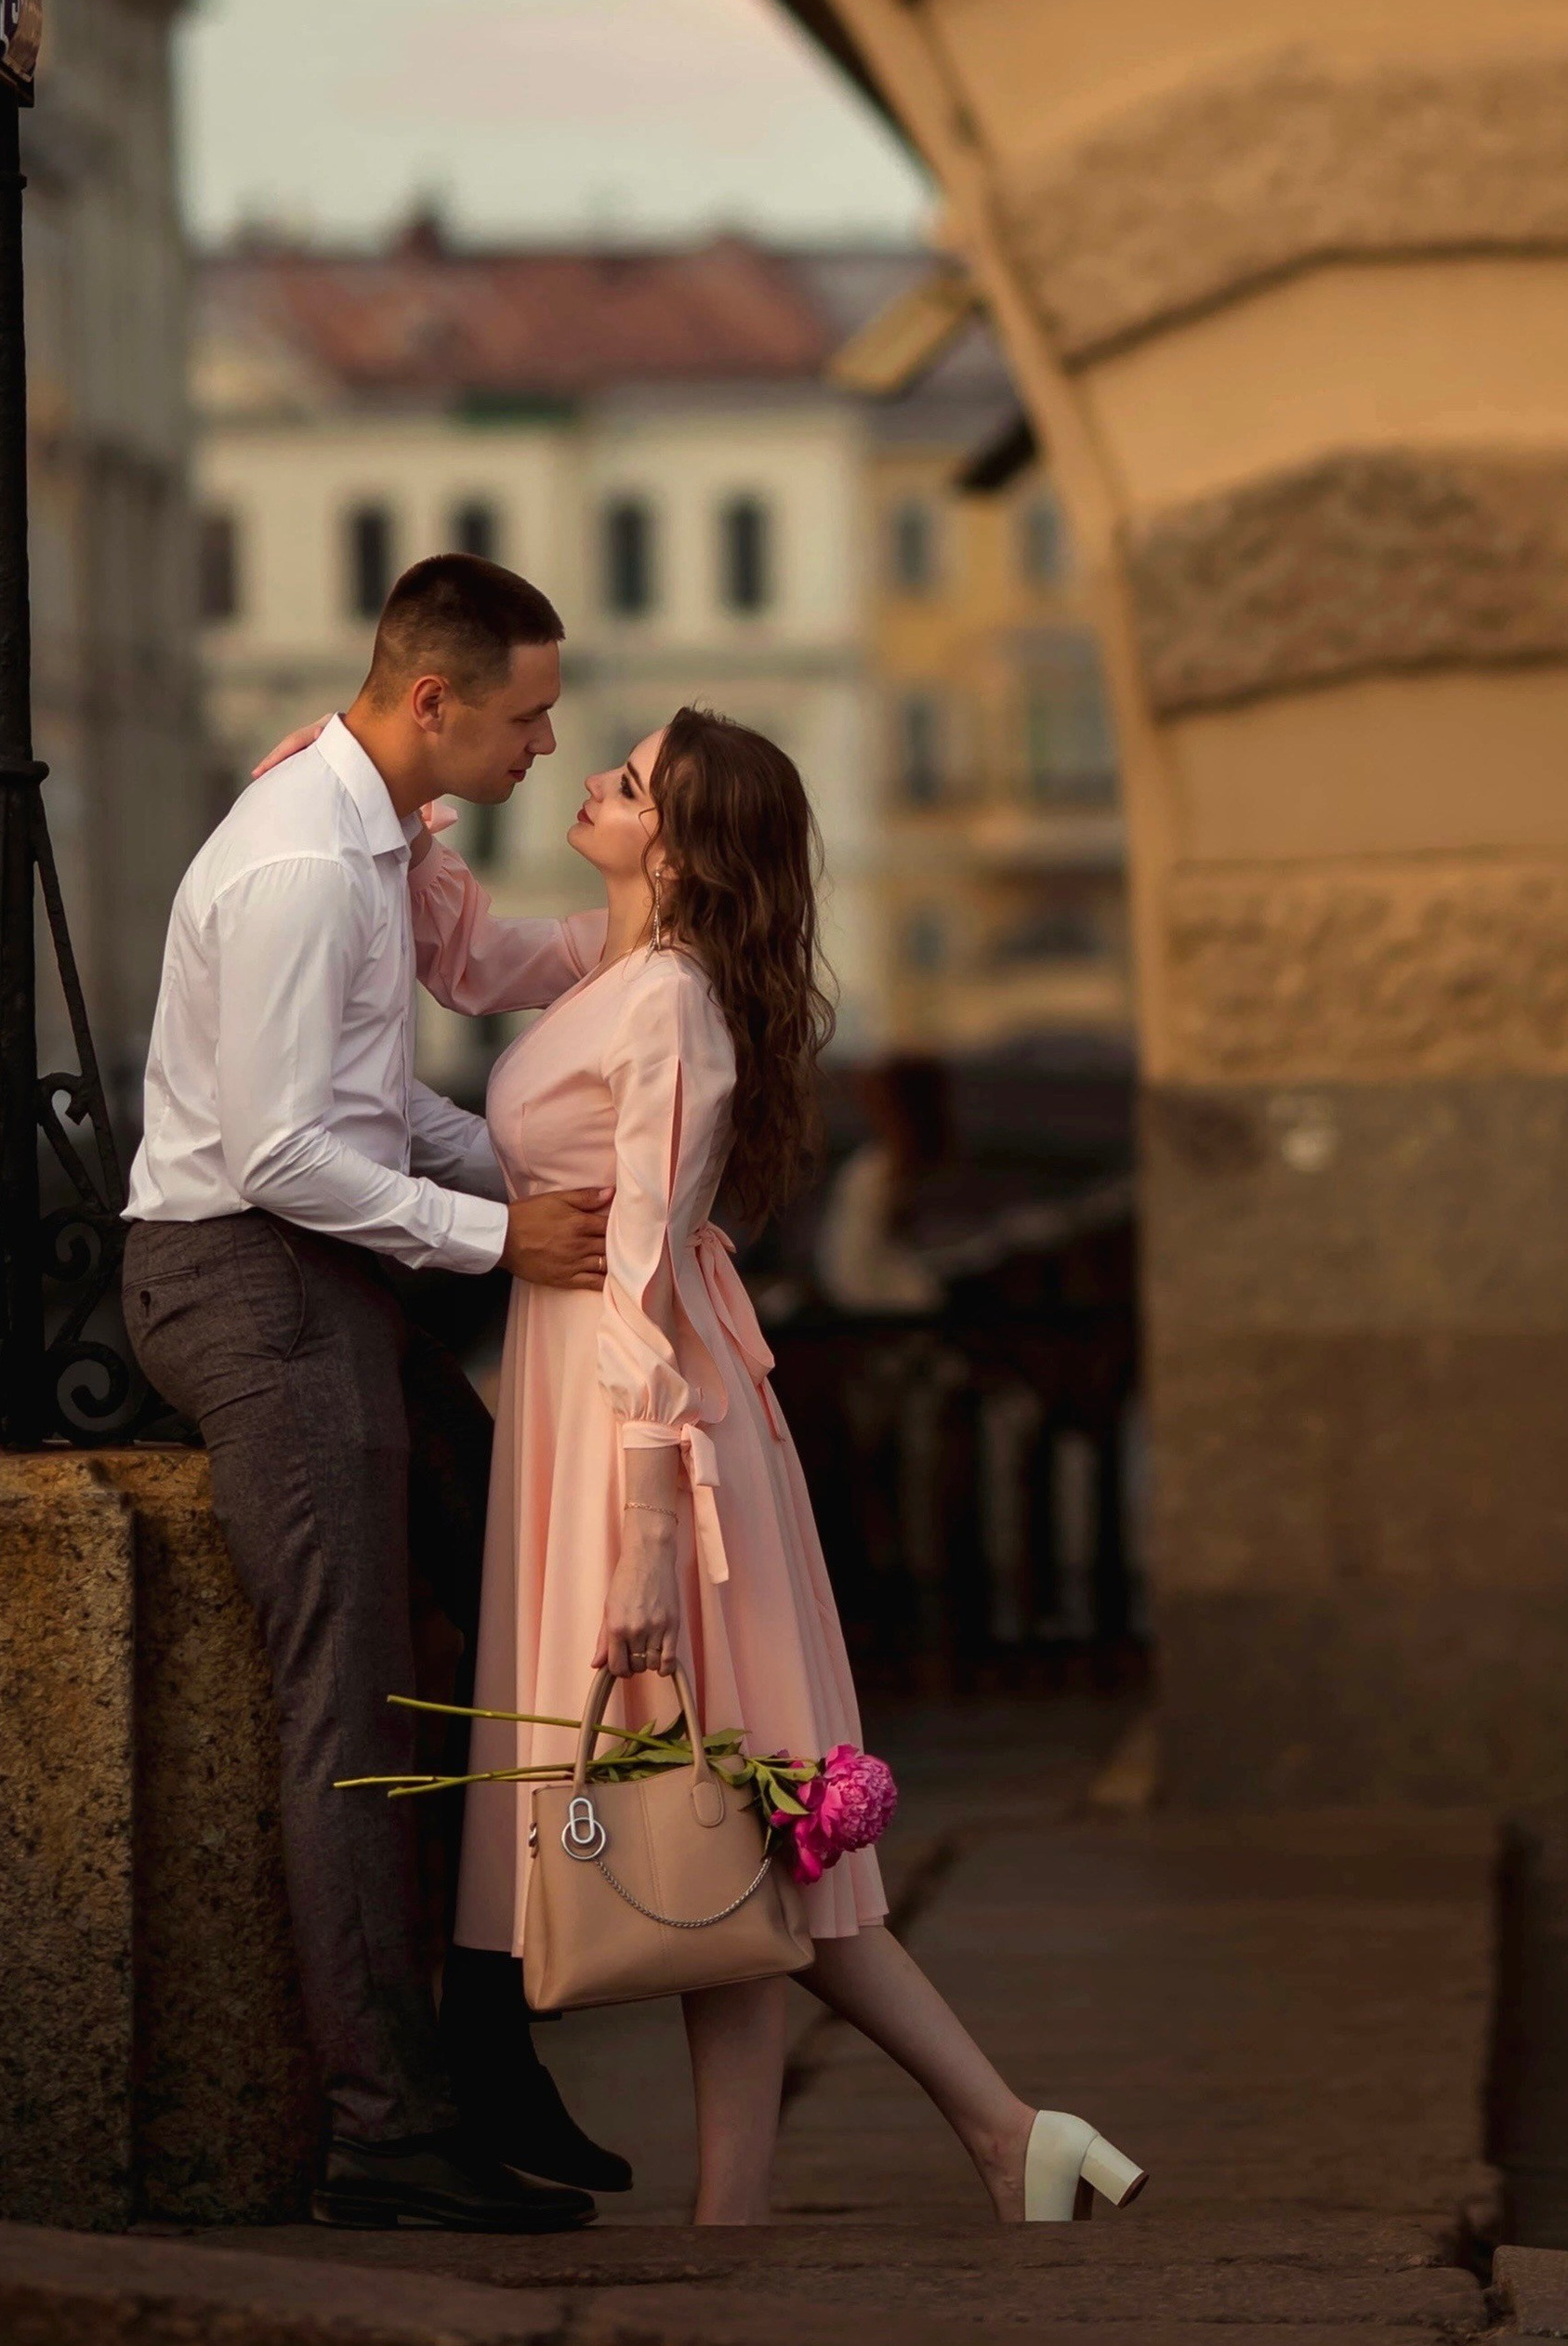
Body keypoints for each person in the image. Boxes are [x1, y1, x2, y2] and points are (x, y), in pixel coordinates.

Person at [400, 701, 1149, 2227]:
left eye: (631, 779)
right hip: (612, 1417)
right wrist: (394, 806)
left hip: (648, 1434)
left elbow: (643, 1276)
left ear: (680, 846)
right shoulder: (610, 966)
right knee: (743, 1827)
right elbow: (464, 958)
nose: (598, 779)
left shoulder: (666, 1001)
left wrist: (646, 1527)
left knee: (740, 1820)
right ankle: (982, 2147)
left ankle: (962, 2151)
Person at [122, 553, 633, 2235]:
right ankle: (384, 2131)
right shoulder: (295, 867)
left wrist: (511, 1170)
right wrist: (497, 1235)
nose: (546, 744)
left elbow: (372, 1101)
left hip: (317, 1269)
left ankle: (485, 2053)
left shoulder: (374, 842)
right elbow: (278, 1152)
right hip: (242, 1279)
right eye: (527, 712)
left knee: (495, 1595)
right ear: (433, 701)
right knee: (350, 1702)